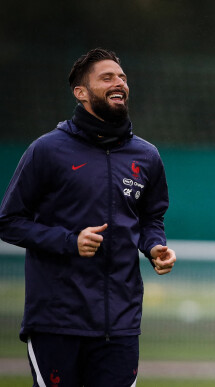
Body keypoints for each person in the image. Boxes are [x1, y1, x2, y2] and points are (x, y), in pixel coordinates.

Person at [0, 48, 177, 387]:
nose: (119, 83)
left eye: (122, 78)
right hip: (57, 322)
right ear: (80, 92)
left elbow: (151, 219)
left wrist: (155, 246)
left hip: (120, 326)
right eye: (107, 77)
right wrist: (69, 241)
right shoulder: (47, 150)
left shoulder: (147, 156)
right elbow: (9, 221)